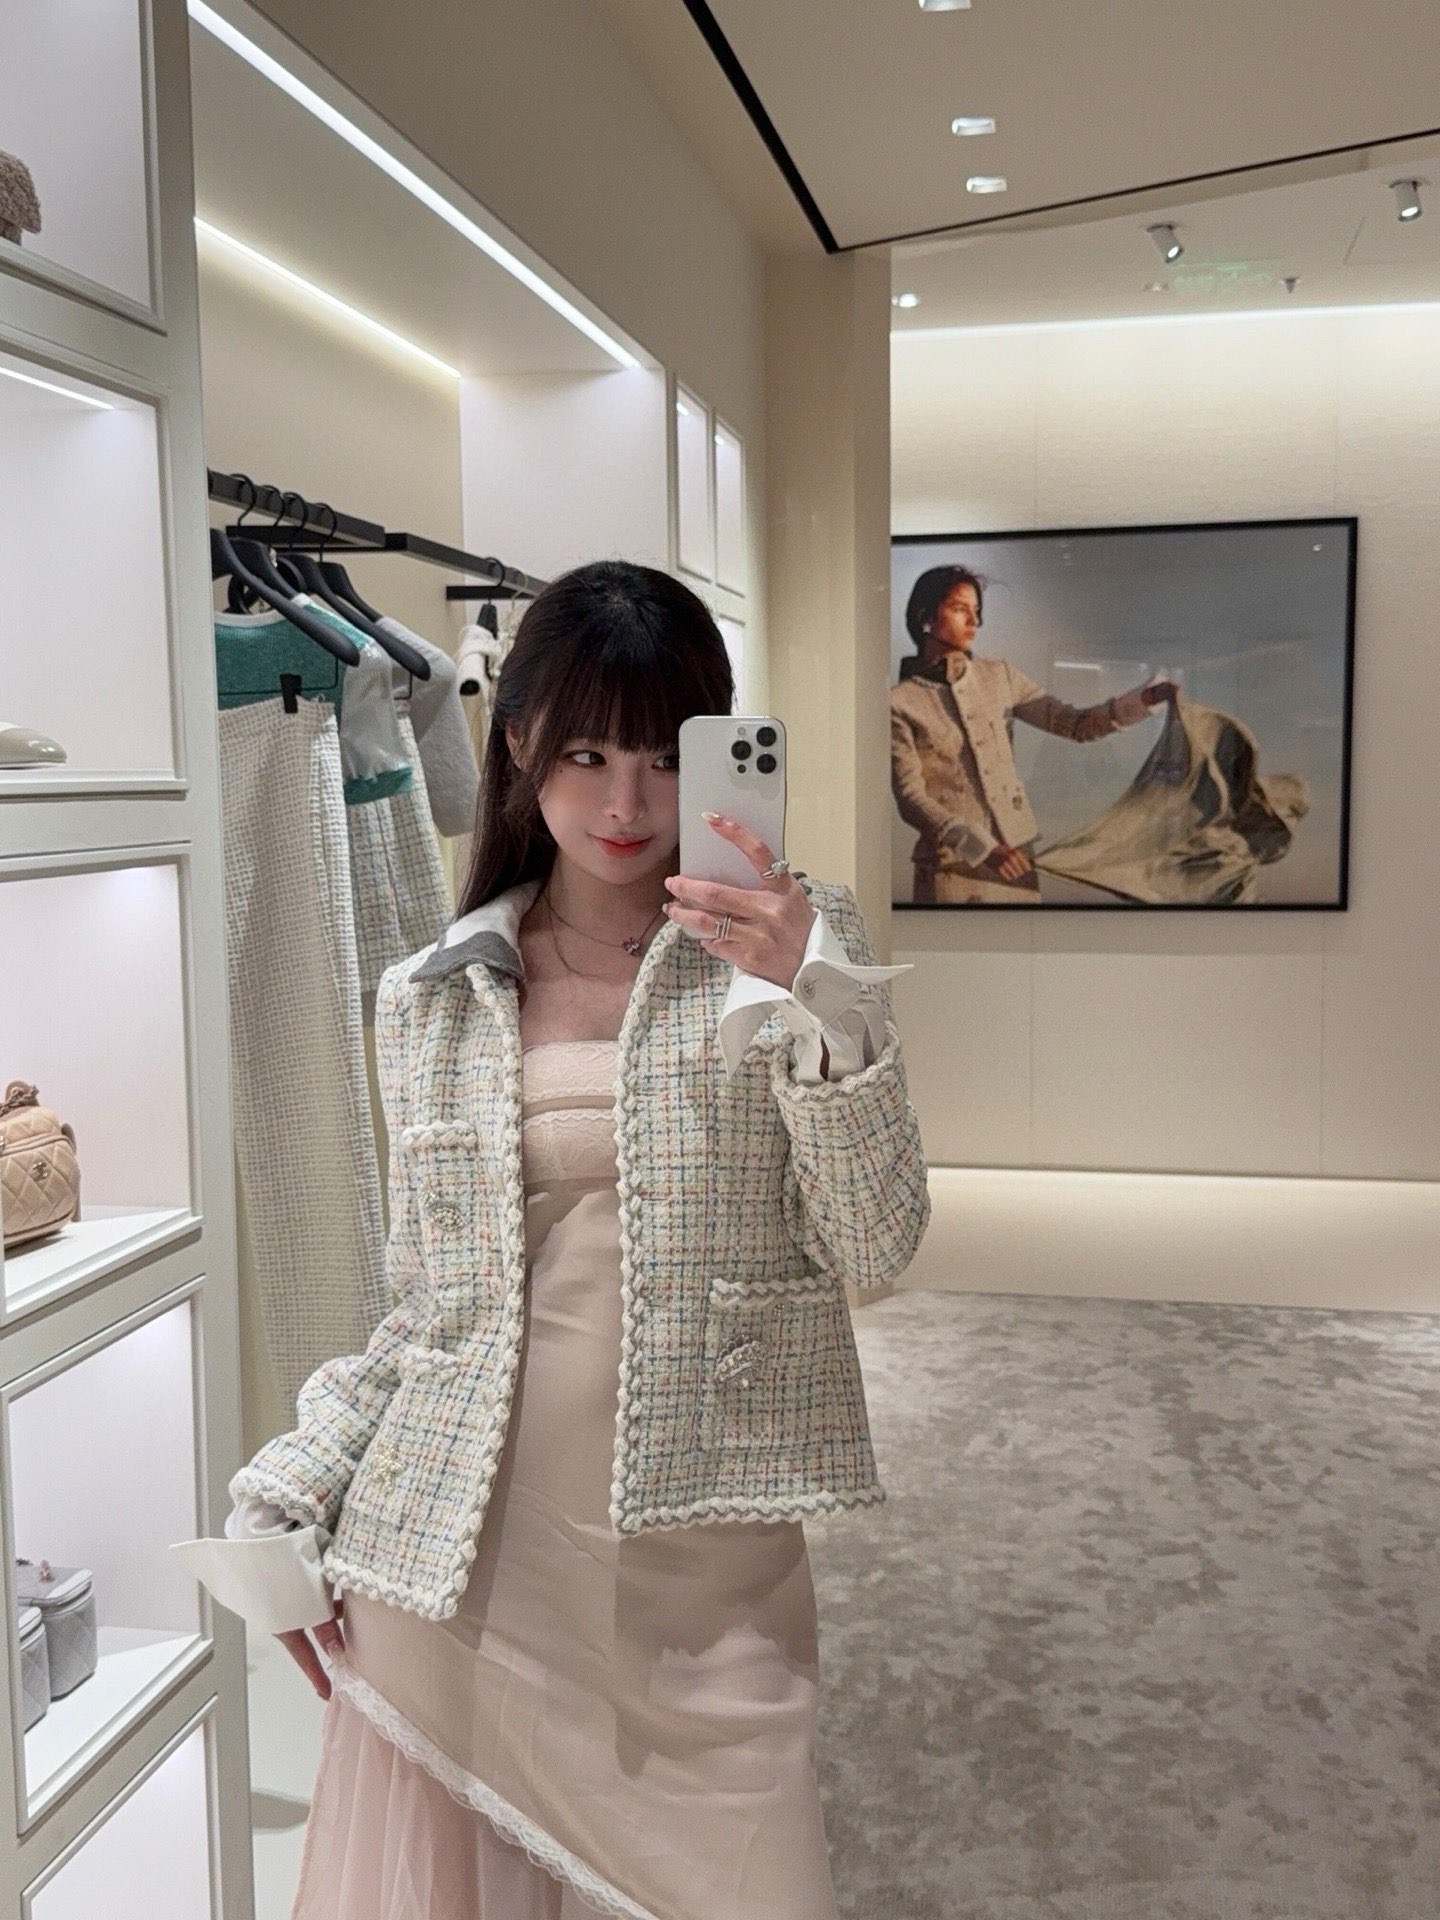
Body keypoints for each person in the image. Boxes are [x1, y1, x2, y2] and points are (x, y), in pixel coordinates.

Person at [170, 560, 931, 1920]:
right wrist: (298, 1479)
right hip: (470, 1579)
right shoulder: (436, 993)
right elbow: (430, 1310)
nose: (627, 805)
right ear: (518, 743)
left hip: (712, 1581)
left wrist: (812, 994)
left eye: (662, 756)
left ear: (717, 748)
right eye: (586, 755)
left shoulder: (801, 950)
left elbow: (877, 1244)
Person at [890, 564, 1179, 904]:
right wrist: (981, 848)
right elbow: (911, 797)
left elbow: (1074, 724)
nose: (974, 621)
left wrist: (1144, 700)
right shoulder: (900, 702)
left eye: (977, 611)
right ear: (925, 617)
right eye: (959, 608)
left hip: (1016, 863)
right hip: (951, 869)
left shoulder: (1000, 676)